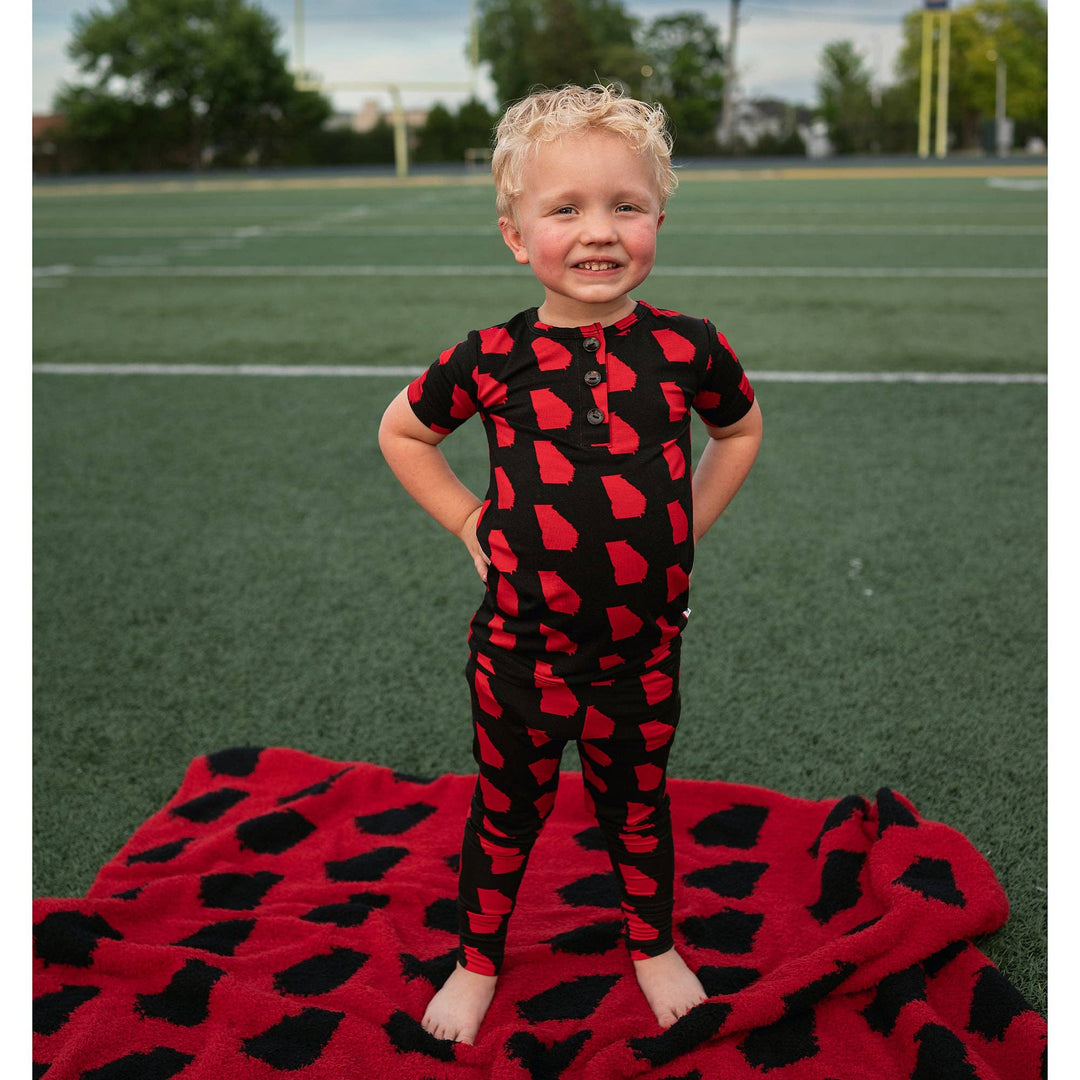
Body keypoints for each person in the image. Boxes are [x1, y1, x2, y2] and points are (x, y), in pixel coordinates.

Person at [378, 83, 763, 1046]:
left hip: (643, 650)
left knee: (638, 802)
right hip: (520, 650)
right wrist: (470, 518)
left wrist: (685, 524)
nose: (600, 232)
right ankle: (478, 957)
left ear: (658, 218)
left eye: (625, 205)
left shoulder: (687, 347)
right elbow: (402, 431)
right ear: (516, 235)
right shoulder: (492, 356)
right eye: (566, 209)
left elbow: (741, 429)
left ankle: (651, 943)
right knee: (508, 810)